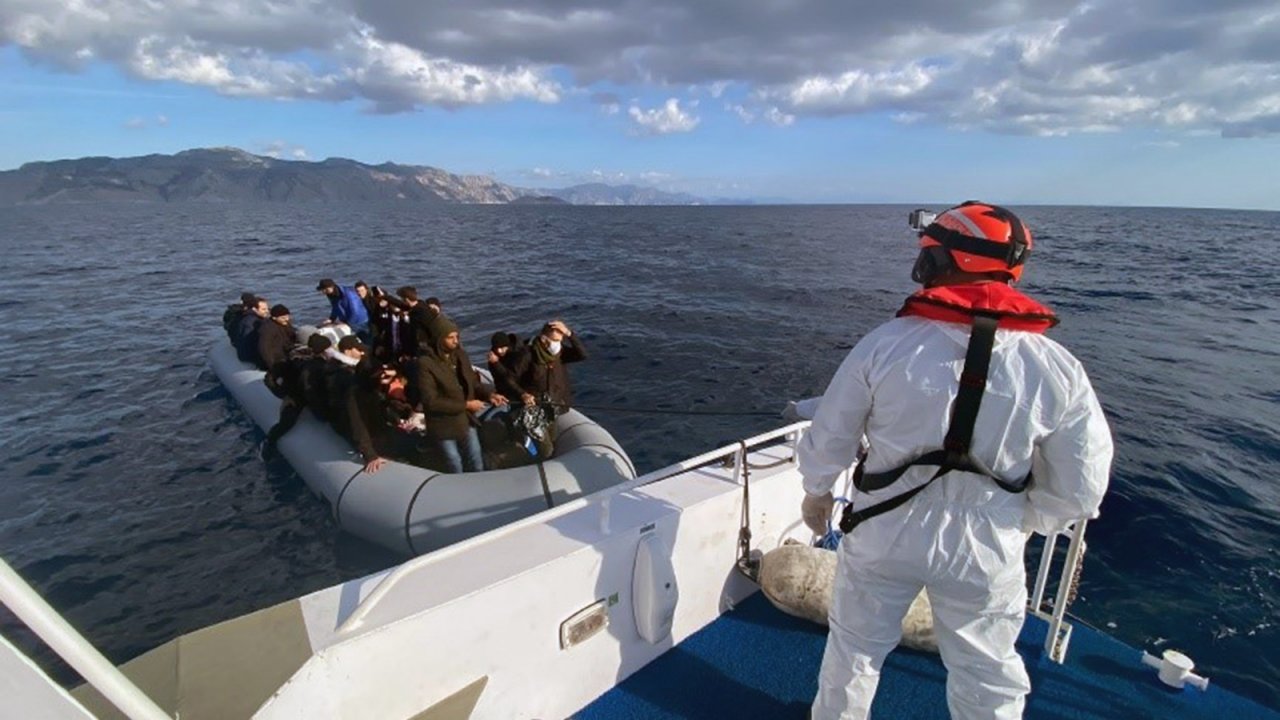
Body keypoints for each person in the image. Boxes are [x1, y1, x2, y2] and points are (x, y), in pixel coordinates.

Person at [799, 202, 1114, 720]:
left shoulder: (884, 346)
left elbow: (831, 435)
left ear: (945, 262)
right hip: (988, 545)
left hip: (883, 529)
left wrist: (816, 491)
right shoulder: (1058, 368)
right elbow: (1081, 487)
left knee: (854, 650)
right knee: (987, 672)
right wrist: (1021, 521)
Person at [414, 315, 502, 473]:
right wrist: (466, 405)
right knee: (454, 462)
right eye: (450, 337)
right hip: (443, 424)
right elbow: (431, 401)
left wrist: (490, 395)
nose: (455, 341)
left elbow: (472, 383)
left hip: (465, 421)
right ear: (439, 338)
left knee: (476, 458)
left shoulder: (460, 356)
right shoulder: (425, 363)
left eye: (457, 336)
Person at [510, 320, 586, 410]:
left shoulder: (561, 353)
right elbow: (510, 378)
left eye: (559, 341)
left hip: (557, 404)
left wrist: (568, 333)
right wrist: (522, 394)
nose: (557, 345)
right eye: (554, 340)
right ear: (543, 339)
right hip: (534, 406)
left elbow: (582, 354)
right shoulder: (527, 354)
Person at [258, 304, 297, 380]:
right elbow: (264, 349)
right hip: (276, 359)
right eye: (283, 317)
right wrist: (273, 367)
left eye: (287, 316)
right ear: (274, 318)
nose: (287, 319)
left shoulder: (285, 324)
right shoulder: (268, 329)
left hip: (285, 352)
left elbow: (292, 335)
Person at [487, 331, 525, 399]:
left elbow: (512, 377)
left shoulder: (518, 355)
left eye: (502, 348)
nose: (499, 351)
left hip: (522, 389)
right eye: (497, 348)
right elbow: (497, 379)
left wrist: (496, 364)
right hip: (505, 392)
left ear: (507, 345)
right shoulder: (493, 356)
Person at [234, 296, 269, 365]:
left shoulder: (247, 318)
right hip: (249, 356)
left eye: (267, 309)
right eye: (264, 309)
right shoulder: (253, 323)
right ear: (255, 309)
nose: (267, 311)